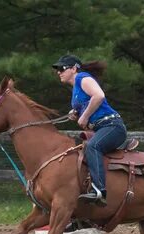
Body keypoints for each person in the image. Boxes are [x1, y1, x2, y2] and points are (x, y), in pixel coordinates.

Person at [52, 54, 127, 206]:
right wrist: (76, 113)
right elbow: (88, 104)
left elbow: (99, 96)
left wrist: (84, 116)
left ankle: (99, 190)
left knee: (93, 146)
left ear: (74, 68)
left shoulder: (82, 78)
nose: (58, 72)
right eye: (57, 70)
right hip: (102, 127)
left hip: (112, 126)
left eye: (62, 68)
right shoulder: (75, 88)